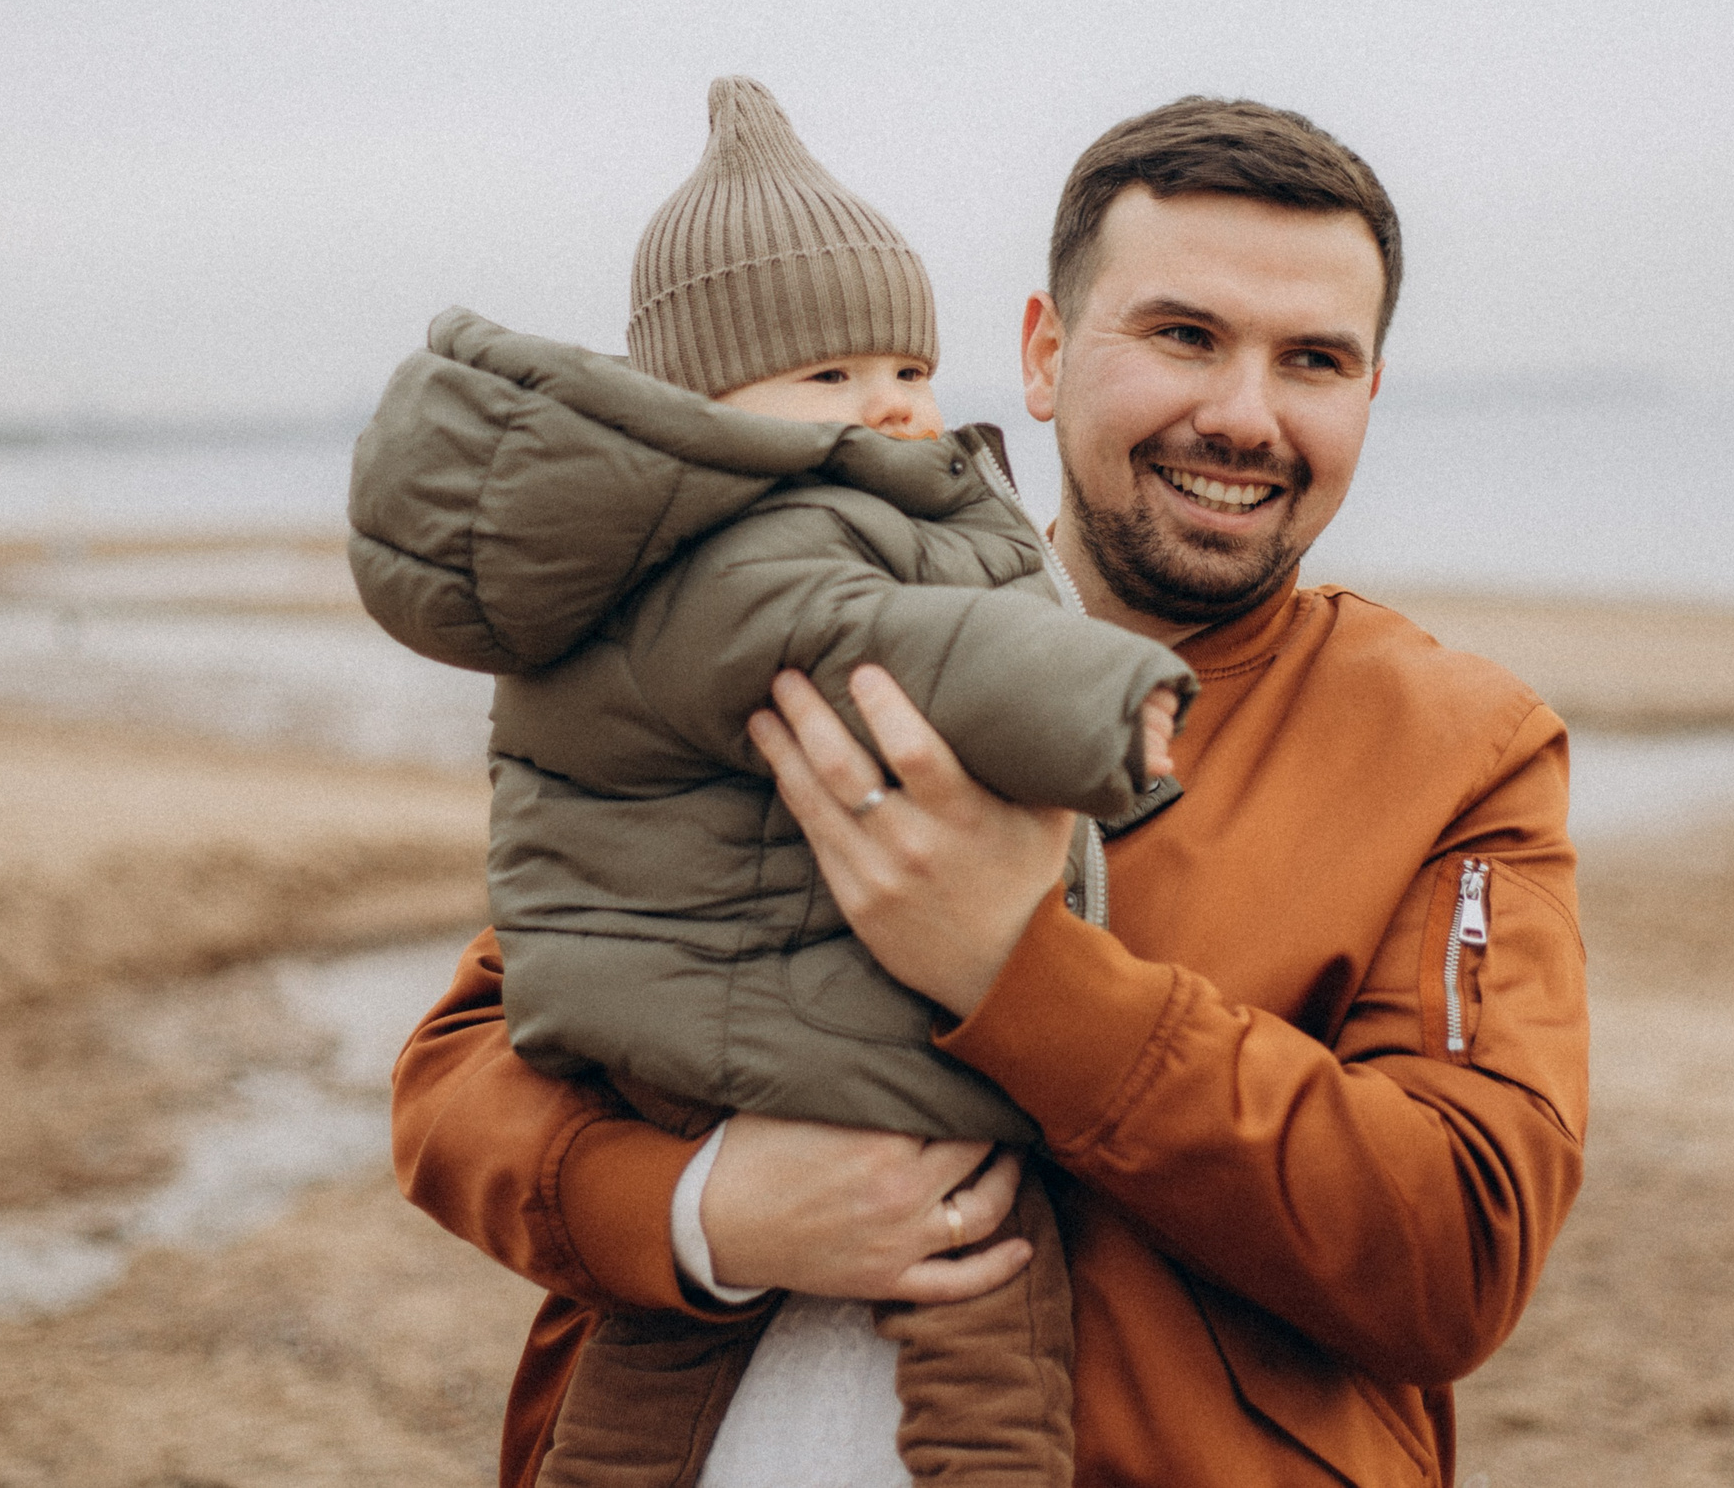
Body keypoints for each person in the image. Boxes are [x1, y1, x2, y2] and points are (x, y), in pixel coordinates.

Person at [390, 94, 1589, 1488]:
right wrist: (706, 1209)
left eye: (1313, 360)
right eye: (1185, 335)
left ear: (1368, 394)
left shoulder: (1459, 747)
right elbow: (469, 1066)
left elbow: (1456, 1250)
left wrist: (1020, 975)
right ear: (1044, 351)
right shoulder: (790, 611)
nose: (1243, 414)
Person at [350, 78, 1192, 1488]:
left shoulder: (723, 542)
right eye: (829, 379)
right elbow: (899, 651)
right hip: (798, 1029)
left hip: (696, 1023)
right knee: (989, 1287)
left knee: (650, 1361)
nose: (889, 404)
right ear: (700, 407)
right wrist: (1106, 711)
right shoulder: (770, 553)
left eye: (909, 371)